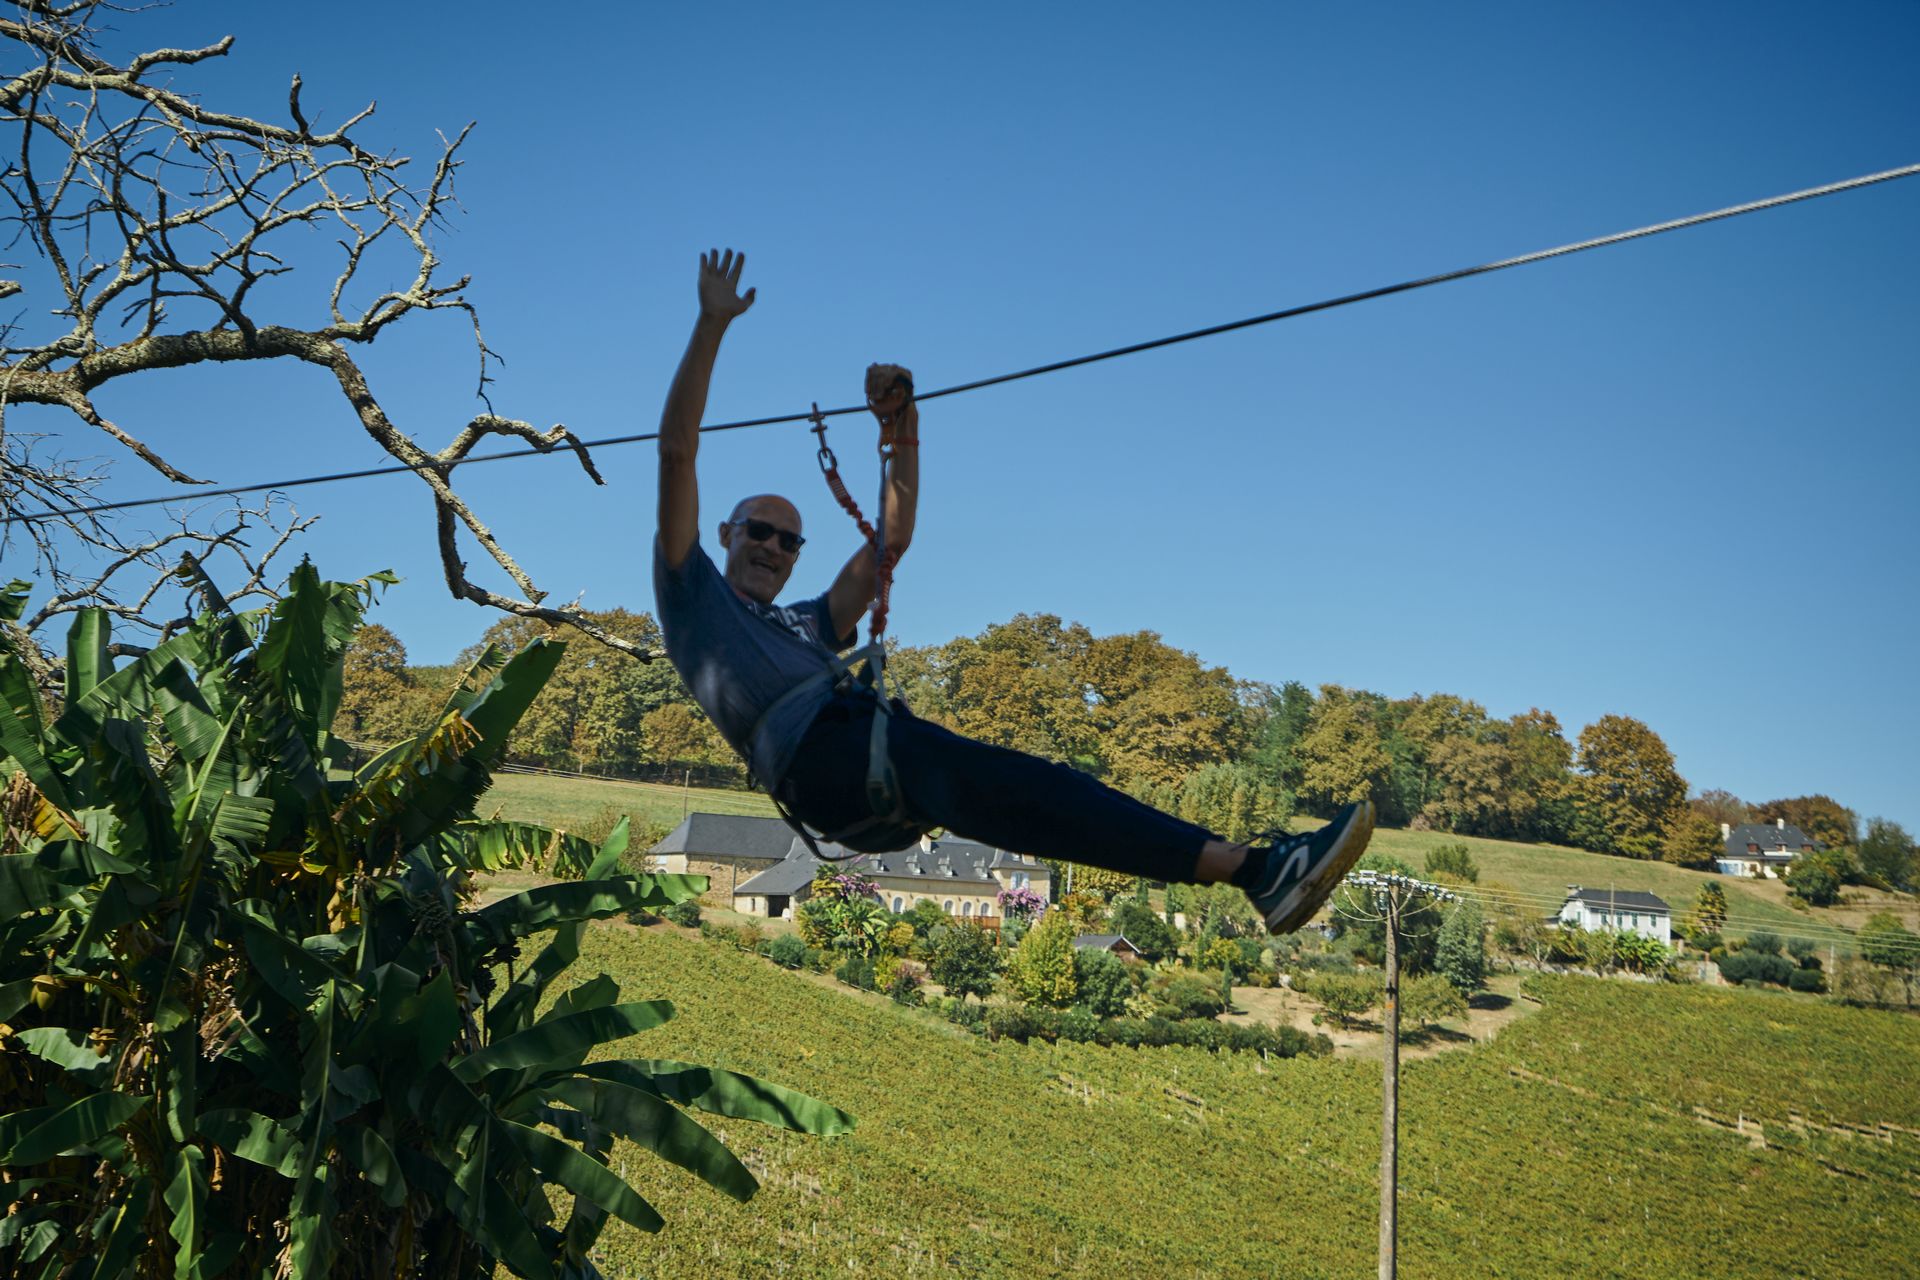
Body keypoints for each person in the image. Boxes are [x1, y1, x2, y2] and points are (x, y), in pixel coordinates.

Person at [653, 249, 1373, 933]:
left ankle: (1250, 870)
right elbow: (679, 450)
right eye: (758, 531)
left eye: (789, 540)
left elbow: (891, 542)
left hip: (868, 758)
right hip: (822, 762)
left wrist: (903, 427)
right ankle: (1255, 868)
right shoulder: (696, 604)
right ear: (725, 531)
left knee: (1035, 794)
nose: (773, 548)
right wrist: (712, 323)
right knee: (1015, 789)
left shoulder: (807, 624)